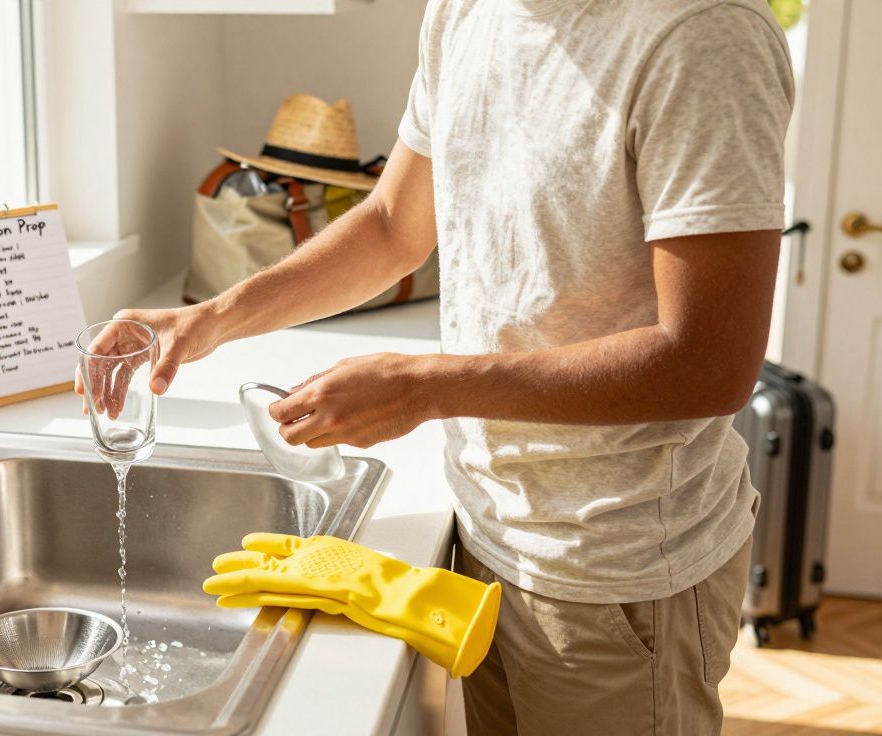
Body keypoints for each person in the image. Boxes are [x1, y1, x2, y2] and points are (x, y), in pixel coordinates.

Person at [85, 1, 793, 733]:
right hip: (484, 533)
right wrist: (214, 318)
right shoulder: (465, 10)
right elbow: (395, 226)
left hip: (616, 573)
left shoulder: (703, 34)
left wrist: (426, 387)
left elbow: (708, 362)